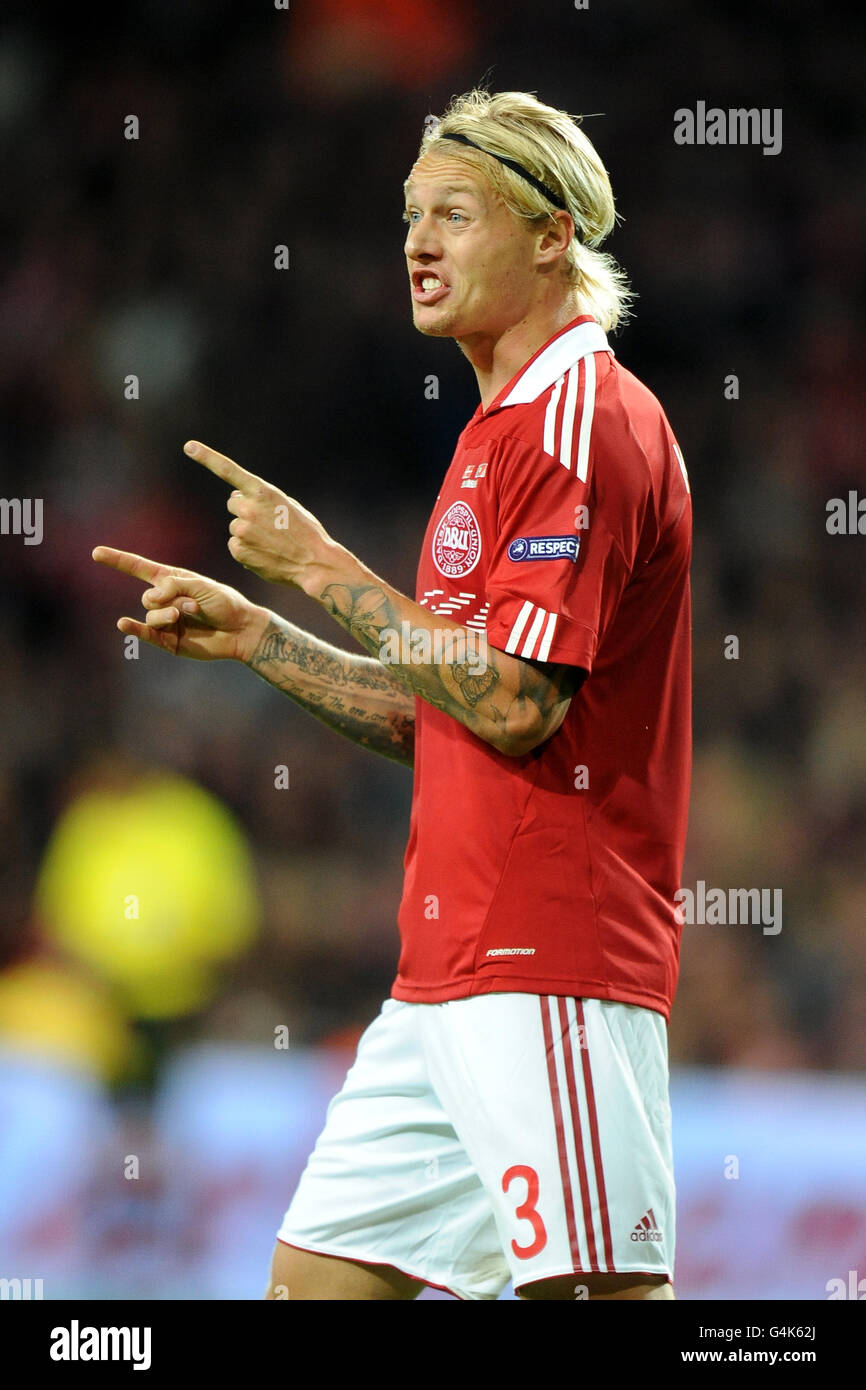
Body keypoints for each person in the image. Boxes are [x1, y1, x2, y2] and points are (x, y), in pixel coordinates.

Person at [93, 88, 692, 1301]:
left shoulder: (574, 423)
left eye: (454, 215)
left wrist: (317, 563)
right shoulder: (492, 434)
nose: (416, 243)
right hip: (444, 980)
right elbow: (450, 717)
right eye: (410, 215)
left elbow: (518, 705)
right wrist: (264, 636)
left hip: (546, 958)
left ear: (551, 234)